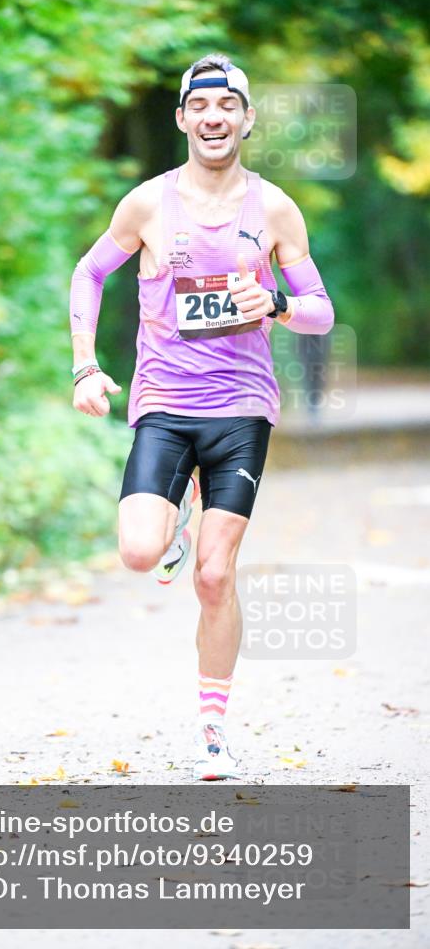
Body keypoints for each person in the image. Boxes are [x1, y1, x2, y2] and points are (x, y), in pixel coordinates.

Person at [69, 54, 334, 781]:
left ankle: (212, 729)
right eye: (200, 106)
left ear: (246, 119)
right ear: (182, 118)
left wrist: (276, 304)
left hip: (241, 410)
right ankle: (177, 514)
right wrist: (84, 365)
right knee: (135, 552)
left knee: (214, 576)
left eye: (228, 105)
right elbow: (88, 272)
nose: (214, 117)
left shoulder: (274, 210)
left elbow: (320, 310)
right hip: (163, 404)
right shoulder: (148, 205)